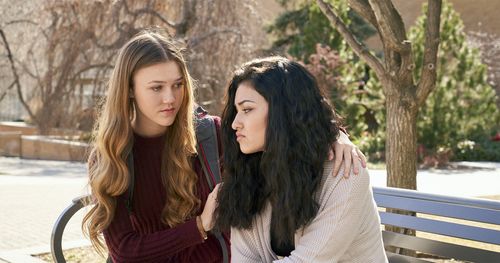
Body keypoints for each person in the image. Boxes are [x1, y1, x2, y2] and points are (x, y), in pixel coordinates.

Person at [82, 29, 365, 262]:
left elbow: (283, 123)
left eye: (178, 85)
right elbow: (124, 250)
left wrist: (337, 137)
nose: (170, 98)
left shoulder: (209, 134)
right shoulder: (111, 156)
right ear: (130, 89)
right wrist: (199, 226)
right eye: (156, 88)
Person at [216, 56, 388, 262]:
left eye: (247, 110)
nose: (235, 123)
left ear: (284, 112)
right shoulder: (251, 175)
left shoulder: (345, 173)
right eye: (236, 111)